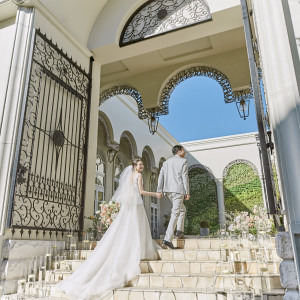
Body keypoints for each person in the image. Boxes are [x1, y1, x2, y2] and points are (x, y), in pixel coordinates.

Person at [54, 159, 161, 300]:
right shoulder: (139, 176)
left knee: (127, 228)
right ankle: (136, 250)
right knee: (136, 228)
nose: (142, 166)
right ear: (135, 166)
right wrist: (155, 194)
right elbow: (140, 191)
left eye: (142, 164)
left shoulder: (129, 176)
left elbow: (125, 191)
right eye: (140, 164)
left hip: (129, 206)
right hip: (136, 204)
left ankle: (131, 248)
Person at [157, 145, 190, 249]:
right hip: (178, 190)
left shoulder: (166, 163)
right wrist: (187, 192)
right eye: (183, 150)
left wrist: (159, 190)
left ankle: (179, 231)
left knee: (182, 209)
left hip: (168, 191)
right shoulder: (183, 161)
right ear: (179, 151)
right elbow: (185, 177)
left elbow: (160, 176)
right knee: (175, 213)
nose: (184, 152)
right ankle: (167, 239)